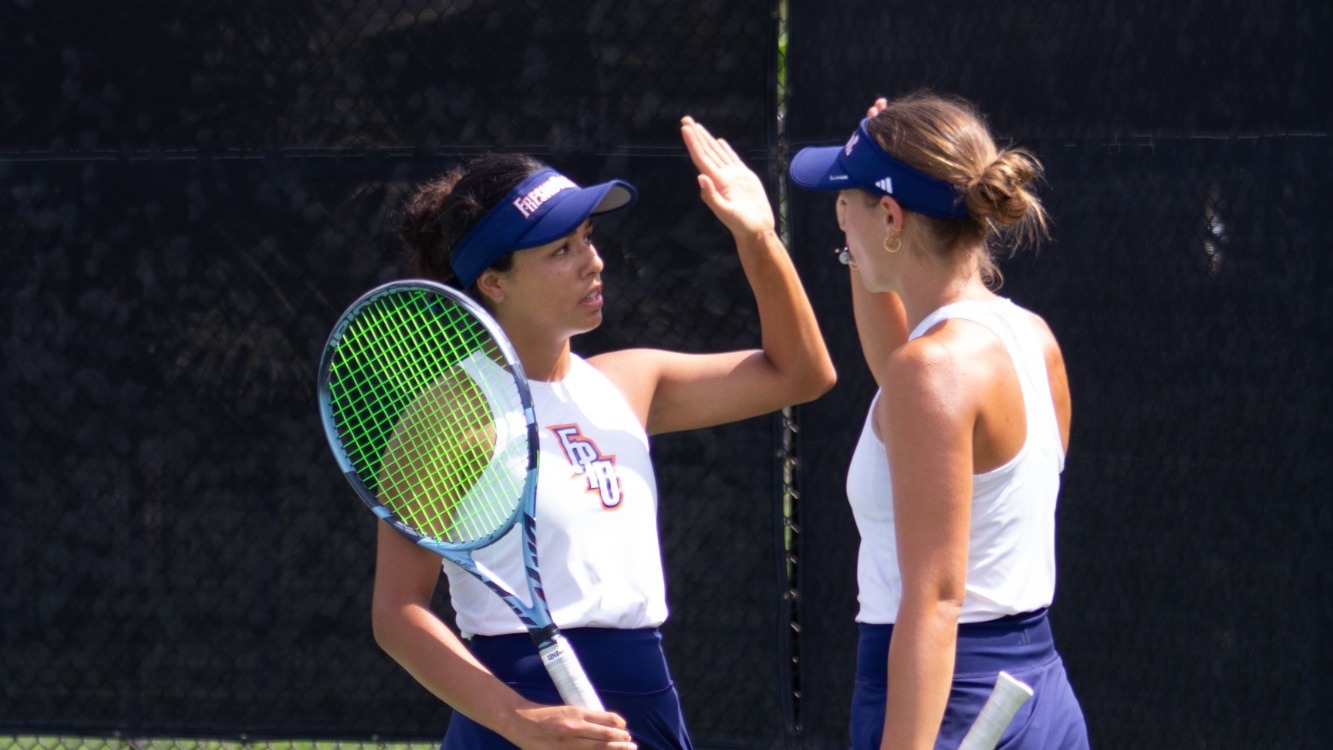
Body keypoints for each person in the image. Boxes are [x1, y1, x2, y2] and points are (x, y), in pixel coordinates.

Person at [375, 116, 836, 750]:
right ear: (494, 282)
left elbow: (803, 374)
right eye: (560, 251)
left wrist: (758, 236)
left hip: (646, 707)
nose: (593, 262)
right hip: (516, 720)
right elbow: (397, 612)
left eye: (588, 238)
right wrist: (517, 719)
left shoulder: (628, 382)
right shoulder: (450, 414)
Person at [788, 90, 1089, 749]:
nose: (839, 218)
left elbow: (935, 601)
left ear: (891, 216)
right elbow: (898, 377)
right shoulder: (1028, 337)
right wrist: (860, 232)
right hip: (1036, 691)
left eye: (846, 201)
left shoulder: (930, 370)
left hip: (950, 699)